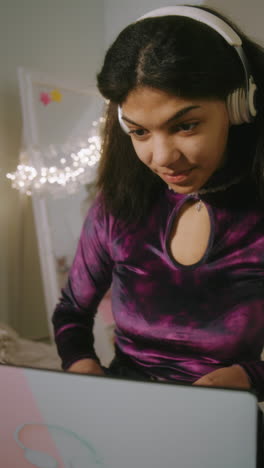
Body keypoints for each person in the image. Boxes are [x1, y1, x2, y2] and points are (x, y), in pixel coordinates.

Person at [52, 5, 264, 401]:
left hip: (221, 421)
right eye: (139, 132)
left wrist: (252, 376)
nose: (162, 157)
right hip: (124, 412)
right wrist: (82, 367)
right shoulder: (116, 207)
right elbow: (71, 312)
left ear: (241, 107)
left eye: (185, 126)